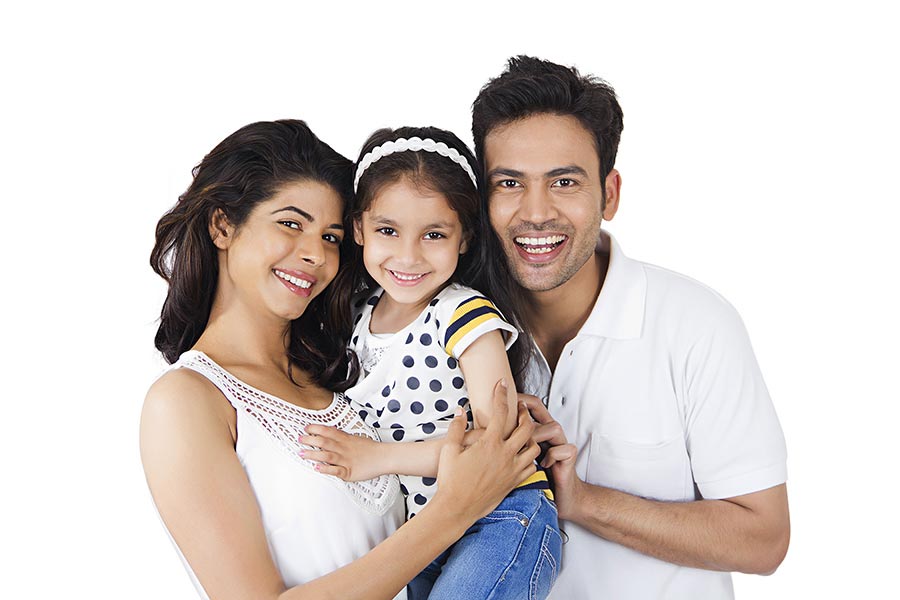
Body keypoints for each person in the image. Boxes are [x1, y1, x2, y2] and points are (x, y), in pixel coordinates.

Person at [139, 119, 540, 600]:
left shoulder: (345, 374)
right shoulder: (186, 402)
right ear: (223, 225)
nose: (314, 254)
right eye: (290, 223)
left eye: (330, 237)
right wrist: (454, 510)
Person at [471, 55, 791, 599]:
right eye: (509, 182)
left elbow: (764, 537)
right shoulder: (454, 331)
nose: (536, 211)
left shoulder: (695, 324)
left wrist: (583, 500)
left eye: (564, 181)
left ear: (610, 194)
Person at [297, 126, 561, 600]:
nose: (408, 255)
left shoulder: (465, 315)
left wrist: (377, 458)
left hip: (501, 517)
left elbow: (497, 445)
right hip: (424, 531)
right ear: (358, 228)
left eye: (434, 234)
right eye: (387, 231)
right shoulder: (355, 316)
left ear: (464, 239)